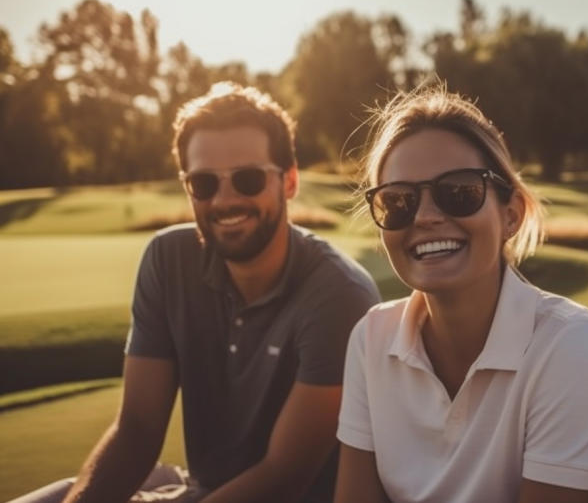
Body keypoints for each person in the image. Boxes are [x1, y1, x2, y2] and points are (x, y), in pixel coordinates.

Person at [12, 82, 380, 503]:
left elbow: (284, 477)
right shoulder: (166, 259)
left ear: (290, 181)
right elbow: (137, 429)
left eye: (248, 179)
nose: (225, 200)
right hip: (202, 492)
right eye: (203, 184)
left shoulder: (339, 293)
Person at [333, 86, 588, 503]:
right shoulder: (370, 338)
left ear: (510, 215)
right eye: (398, 201)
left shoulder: (573, 347)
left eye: (458, 192)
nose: (425, 217)